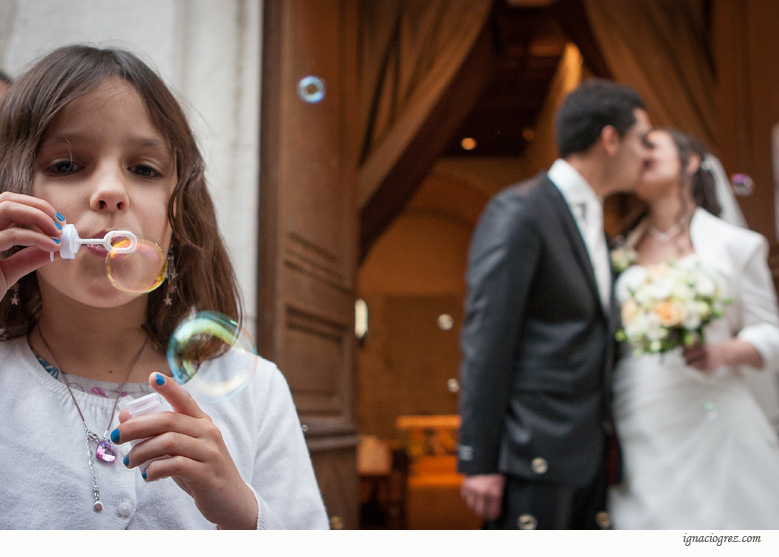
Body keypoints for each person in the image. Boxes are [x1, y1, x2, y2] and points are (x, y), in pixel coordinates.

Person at [0, 45, 329, 529]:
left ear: (179, 217)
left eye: (144, 170)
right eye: (67, 166)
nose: (111, 191)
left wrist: (243, 512)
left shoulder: (255, 392)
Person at [457, 79, 652, 530]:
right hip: (533, 456)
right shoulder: (520, 212)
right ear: (610, 139)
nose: (646, 154)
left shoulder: (596, 224)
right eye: (641, 139)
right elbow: (488, 337)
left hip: (588, 457)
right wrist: (479, 458)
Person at [607, 128, 779, 529]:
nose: (641, 153)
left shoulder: (735, 245)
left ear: (690, 163)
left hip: (716, 415)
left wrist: (725, 353)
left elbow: (771, 331)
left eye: (652, 144)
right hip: (641, 414)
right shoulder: (617, 250)